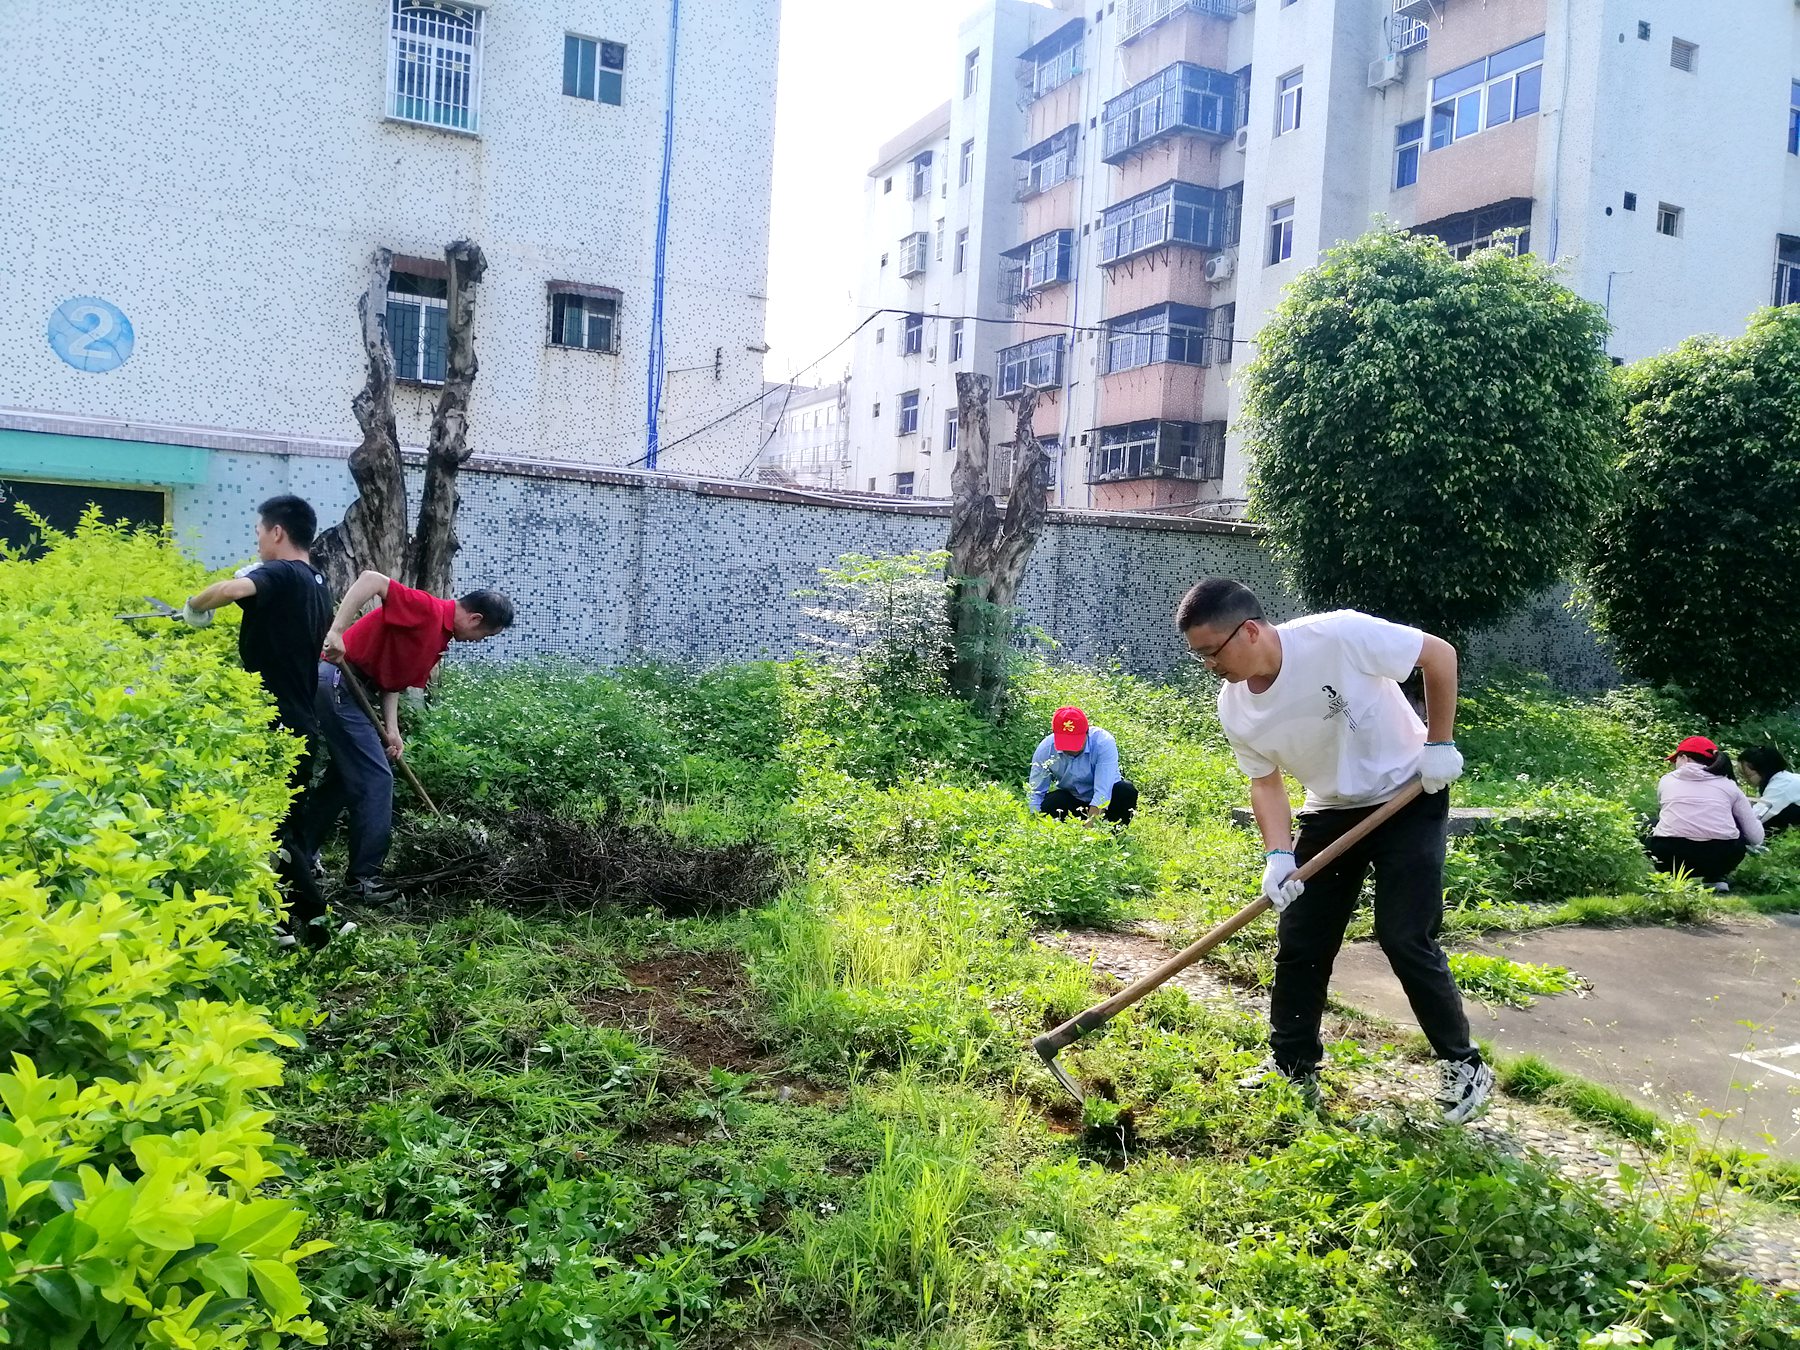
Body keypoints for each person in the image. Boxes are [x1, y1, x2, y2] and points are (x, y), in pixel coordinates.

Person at [1175, 577, 1492, 1123]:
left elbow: (1438, 655)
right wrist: (1278, 854)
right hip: (1331, 808)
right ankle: (1292, 1064)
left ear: (1249, 631)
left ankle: (1464, 1065)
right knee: (1302, 939)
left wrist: (1439, 743)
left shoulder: (1338, 635)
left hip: (1407, 795)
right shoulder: (1235, 707)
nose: (1208, 665)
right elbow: (1266, 781)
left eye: (1211, 651)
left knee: (1403, 935)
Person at [181, 495, 335, 946]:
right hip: (300, 719)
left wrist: (195, 606)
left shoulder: (283, 572)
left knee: (273, 826)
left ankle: (316, 921)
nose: (259, 541)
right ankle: (286, 925)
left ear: (276, 532)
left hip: (277, 723)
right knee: (286, 823)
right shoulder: (315, 582)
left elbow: (229, 591)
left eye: (258, 532)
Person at [305, 569, 515, 898]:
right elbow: (371, 579)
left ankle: (300, 853)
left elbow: (392, 682)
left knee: (346, 777)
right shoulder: (428, 609)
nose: (478, 642)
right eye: (484, 636)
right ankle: (364, 880)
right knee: (376, 778)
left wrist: (393, 730)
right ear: (474, 619)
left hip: (356, 689)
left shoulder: (438, 637)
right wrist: (336, 631)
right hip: (337, 681)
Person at [1646, 736, 1764, 888]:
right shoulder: (1729, 786)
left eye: (1676, 760)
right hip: (1720, 858)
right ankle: (1716, 878)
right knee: (1737, 824)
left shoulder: (1666, 781)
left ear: (1684, 758)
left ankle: (1667, 877)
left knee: (1650, 825)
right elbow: (1756, 837)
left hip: (1672, 856)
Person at [1027, 706, 1138, 824]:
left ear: (1087, 733)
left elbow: (1103, 793)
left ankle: (1114, 835)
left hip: (1108, 802)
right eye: (1065, 743)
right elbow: (1035, 792)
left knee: (1125, 790)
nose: (1071, 749)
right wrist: (1036, 823)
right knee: (1050, 803)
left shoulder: (1103, 743)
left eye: (1075, 743)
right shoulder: (1046, 749)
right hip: (1073, 798)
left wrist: (1088, 834)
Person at [1740, 746, 1800, 835]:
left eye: (1748, 775)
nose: (1746, 779)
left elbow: (1755, 817)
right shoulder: (1781, 780)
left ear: (1763, 770)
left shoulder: (1782, 786)